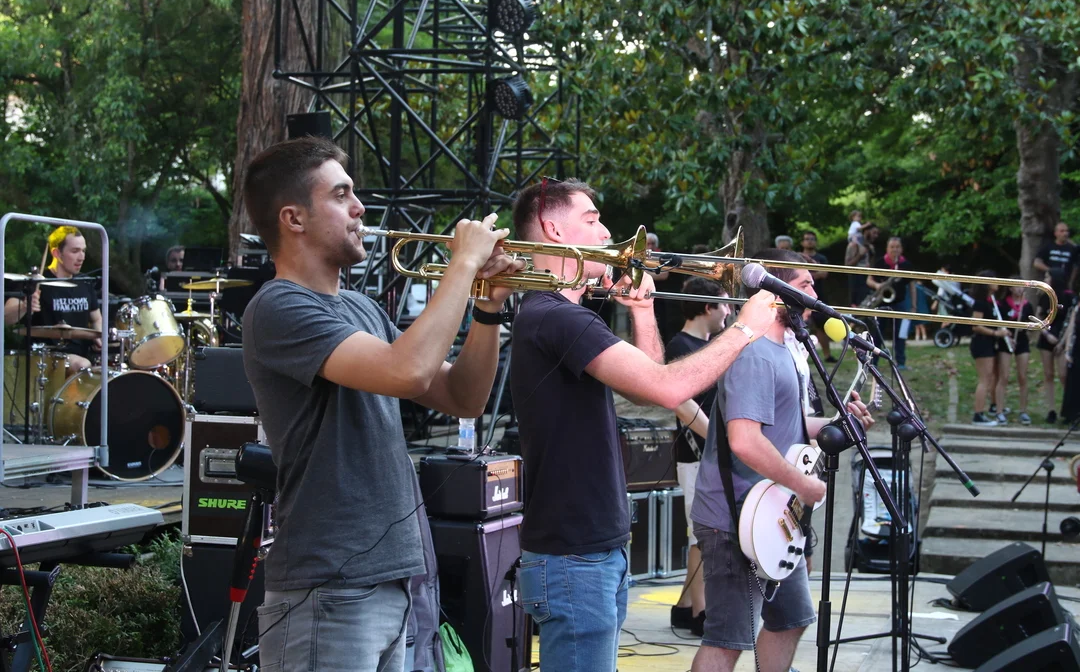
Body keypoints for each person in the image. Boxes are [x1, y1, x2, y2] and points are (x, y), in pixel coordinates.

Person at [240, 137, 523, 672]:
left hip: (390, 580)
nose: (359, 208)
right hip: (327, 586)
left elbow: (462, 396)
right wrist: (462, 264)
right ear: (293, 218)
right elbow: (406, 371)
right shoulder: (278, 306)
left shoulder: (362, 308)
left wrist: (487, 308)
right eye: (340, 194)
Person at [509, 177, 775, 672]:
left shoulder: (567, 315)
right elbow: (668, 389)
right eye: (592, 220)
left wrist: (643, 310)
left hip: (593, 549)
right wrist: (745, 329)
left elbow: (644, 387)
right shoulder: (555, 316)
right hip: (575, 554)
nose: (607, 233)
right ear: (553, 229)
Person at [690, 248, 875, 672]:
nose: (815, 297)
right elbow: (745, 441)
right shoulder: (754, 353)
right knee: (727, 639)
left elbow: (788, 425)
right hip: (734, 516)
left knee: (791, 620)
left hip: (770, 513)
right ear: (775, 291)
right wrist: (803, 484)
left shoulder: (782, 352)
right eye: (805, 286)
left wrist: (839, 423)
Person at [665, 277, 729, 637]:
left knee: (702, 531)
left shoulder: (707, 346)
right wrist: (718, 438)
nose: (728, 312)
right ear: (707, 308)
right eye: (725, 304)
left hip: (708, 451)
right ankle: (701, 611)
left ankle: (685, 606)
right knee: (702, 534)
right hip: (695, 453)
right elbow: (681, 402)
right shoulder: (680, 345)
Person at [33, 226, 101, 374]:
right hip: (47, 358)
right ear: (57, 253)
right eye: (75, 251)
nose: (82, 257)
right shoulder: (38, 282)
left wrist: (98, 337)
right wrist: (26, 304)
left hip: (83, 355)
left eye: (83, 251)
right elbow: (6, 316)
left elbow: (96, 318)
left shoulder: (85, 282)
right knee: (83, 365)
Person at [866, 237, 917, 368]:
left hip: (900, 302)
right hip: (881, 303)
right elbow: (869, 280)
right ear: (887, 249)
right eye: (892, 247)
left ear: (901, 249)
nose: (895, 250)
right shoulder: (880, 262)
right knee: (878, 333)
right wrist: (877, 285)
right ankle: (873, 362)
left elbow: (912, 287)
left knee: (900, 334)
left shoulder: (906, 265)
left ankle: (901, 362)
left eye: (897, 247)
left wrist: (913, 305)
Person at [970, 272, 1010, 426]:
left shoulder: (991, 301)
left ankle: (991, 407)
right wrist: (995, 333)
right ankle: (978, 414)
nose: (997, 282)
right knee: (984, 379)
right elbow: (976, 325)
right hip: (982, 343)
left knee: (990, 378)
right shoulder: (980, 302)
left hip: (989, 343)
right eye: (994, 279)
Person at [1036, 268, 1075, 424]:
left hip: (1062, 339)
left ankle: (1069, 409)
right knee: (1048, 374)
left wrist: (1062, 342)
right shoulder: (1045, 296)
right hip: (1047, 338)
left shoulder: (1068, 296)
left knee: (1064, 375)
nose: (1045, 279)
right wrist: (1046, 334)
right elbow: (1038, 317)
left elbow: (1071, 320)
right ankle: (1051, 410)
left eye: (1047, 276)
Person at [1002, 279, 1034, 425]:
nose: (1020, 289)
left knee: (1022, 376)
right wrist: (1007, 335)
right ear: (1010, 288)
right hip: (1006, 341)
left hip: (1022, 341)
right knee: (1004, 376)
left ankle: (1023, 411)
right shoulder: (1003, 303)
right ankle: (1000, 410)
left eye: (1022, 286)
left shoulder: (1027, 305)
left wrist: (1027, 327)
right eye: (1017, 286)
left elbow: (1033, 324)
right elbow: (999, 323)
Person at [800, 231, 834, 362]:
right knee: (798, 325)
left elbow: (824, 274)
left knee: (822, 326)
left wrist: (806, 276)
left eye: (812, 239)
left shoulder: (822, 258)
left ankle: (827, 355)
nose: (809, 241)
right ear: (802, 242)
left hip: (819, 296)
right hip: (800, 295)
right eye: (807, 239)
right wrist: (815, 274)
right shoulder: (798, 257)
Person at [1034, 221, 1077, 290]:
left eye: (1067, 231)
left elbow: (1075, 266)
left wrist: (1071, 282)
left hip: (1065, 284)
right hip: (1049, 283)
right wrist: (1051, 270)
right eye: (1062, 231)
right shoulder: (1048, 246)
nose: (1065, 233)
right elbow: (1037, 262)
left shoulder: (1072, 248)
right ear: (1055, 233)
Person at [845, 223, 878, 306]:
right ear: (866, 231)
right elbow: (847, 266)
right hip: (857, 280)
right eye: (874, 233)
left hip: (868, 280)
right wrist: (859, 255)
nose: (876, 236)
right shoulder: (854, 245)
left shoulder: (871, 247)